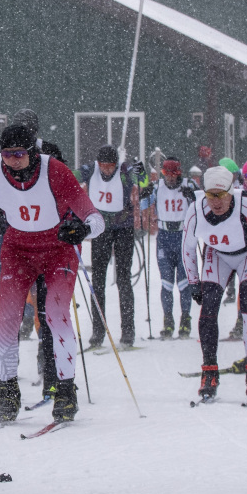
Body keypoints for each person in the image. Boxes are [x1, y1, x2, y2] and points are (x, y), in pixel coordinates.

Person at [0, 120, 100, 423]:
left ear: (32, 151)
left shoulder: (54, 170)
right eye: (6, 154)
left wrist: (82, 230)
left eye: (18, 154)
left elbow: (95, 217)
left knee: (56, 316)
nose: (12, 160)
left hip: (57, 249)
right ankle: (8, 390)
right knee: (8, 317)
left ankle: (66, 391)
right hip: (17, 249)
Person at [182, 166, 247, 402]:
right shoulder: (196, 210)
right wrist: (193, 281)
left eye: (221, 195)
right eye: (211, 195)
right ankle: (209, 372)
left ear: (232, 191)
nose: (216, 202)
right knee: (208, 310)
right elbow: (187, 247)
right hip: (217, 255)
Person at [83, 143, 139, 350]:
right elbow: (72, 175)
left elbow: (139, 179)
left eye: (110, 166)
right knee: (97, 280)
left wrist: (140, 172)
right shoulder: (91, 170)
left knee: (123, 278)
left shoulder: (124, 172)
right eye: (104, 165)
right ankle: (98, 333)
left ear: (116, 164)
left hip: (123, 228)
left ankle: (128, 332)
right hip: (101, 229)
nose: (107, 170)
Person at [150, 158, 193, 338]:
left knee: (184, 282)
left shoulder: (188, 184)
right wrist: (143, 186)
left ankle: (185, 319)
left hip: (182, 236)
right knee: (166, 282)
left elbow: (202, 203)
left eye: (173, 175)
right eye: (166, 174)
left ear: (179, 174)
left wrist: (192, 195)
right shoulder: (157, 186)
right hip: (165, 237)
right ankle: (168, 321)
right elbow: (144, 201)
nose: (169, 179)